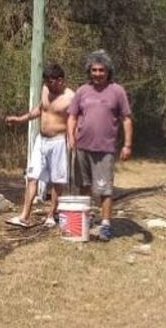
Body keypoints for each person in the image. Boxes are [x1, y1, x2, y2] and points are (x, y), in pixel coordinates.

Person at [66, 50, 132, 242]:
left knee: (104, 189)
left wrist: (127, 145)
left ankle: (105, 225)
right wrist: (71, 136)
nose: (97, 74)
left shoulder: (117, 91)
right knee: (83, 185)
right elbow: (72, 116)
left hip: (105, 150)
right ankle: (86, 219)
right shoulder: (82, 91)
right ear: (89, 71)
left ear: (108, 71)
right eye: (94, 70)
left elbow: (126, 119)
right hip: (82, 148)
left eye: (101, 70)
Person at [4, 63, 74, 228]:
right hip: (41, 140)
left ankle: (52, 215)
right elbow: (41, 109)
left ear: (60, 81)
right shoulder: (45, 89)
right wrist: (20, 119)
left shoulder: (71, 97)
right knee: (32, 176)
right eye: (47, 82)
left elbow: (74, 120)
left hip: (58, 142)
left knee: (57, 180)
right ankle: (24, 216)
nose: (49, 85)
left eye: (51, 82)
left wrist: (72, 139)